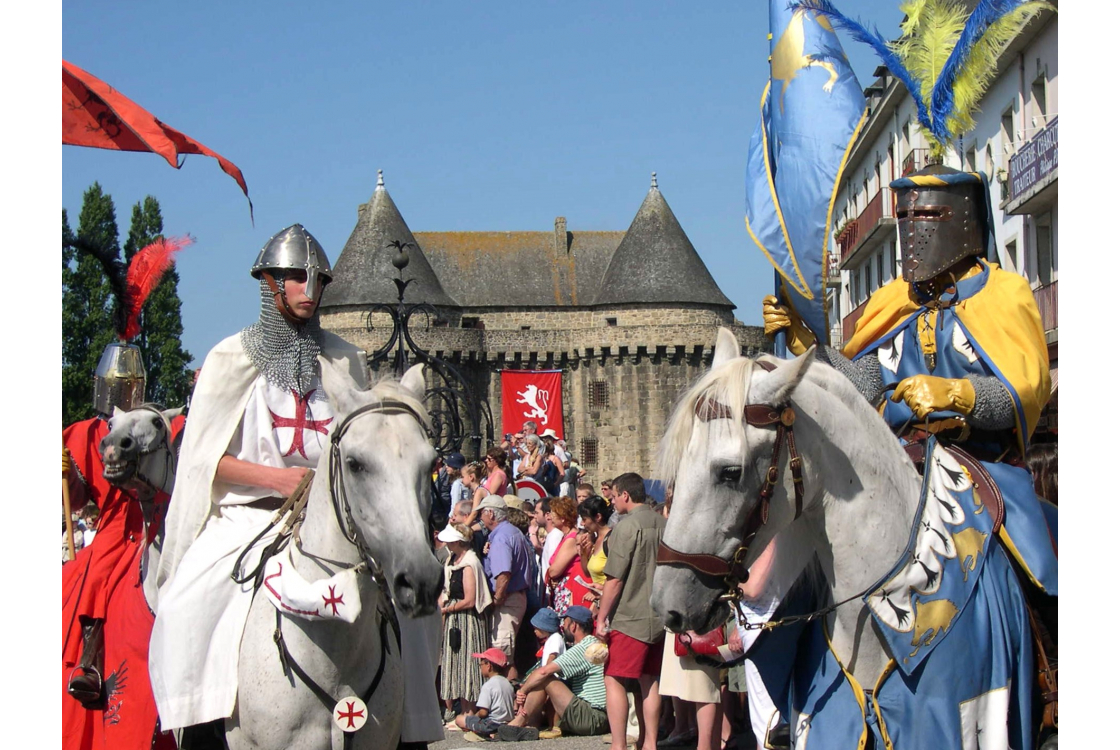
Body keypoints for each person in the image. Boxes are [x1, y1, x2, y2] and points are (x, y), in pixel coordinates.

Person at [149, 225, 444, 745]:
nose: (309, 288)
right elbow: (202, 464)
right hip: (249, 515)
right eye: (294, 277)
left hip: (334, 518)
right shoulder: (228, 360)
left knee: (413, 606)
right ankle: (194, 726)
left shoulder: (345, 360)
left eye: (317, 279)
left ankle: (415, 725)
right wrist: (278, 479)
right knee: (186, 606)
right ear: (268, 282)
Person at [763, 163, 1058, 598]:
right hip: (897, 463)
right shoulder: (892, 303)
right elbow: (860, 389)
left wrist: (957, 394)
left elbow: (1025, 389)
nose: (912, 230)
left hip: (979, 464)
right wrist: (805, 342)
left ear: (961, 218)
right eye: (904, 217)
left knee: (1035, 572)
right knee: (804, 579)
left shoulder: (1002, 293)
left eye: (928, 217)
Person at [62, 337, 186, 750]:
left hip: (155, 521)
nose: (123, 391)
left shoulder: (153, 427)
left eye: (130, 382)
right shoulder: (87, 432)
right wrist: (64, 477)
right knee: (94, 577)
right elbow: (76, 501)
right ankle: (90, 664)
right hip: (115, 531)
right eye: (118, 383)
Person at [596, 473, 667, 750]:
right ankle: (650, 743)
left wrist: (602, 617)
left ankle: (618, 745)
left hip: (629, 615)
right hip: (659, 614)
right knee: (649, 681)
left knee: (614, 678)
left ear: (625, 495)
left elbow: (614, 579)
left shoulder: (626, 528)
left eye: (613, 497)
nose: (612, 502)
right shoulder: (665, 524)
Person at [508, 606, 610, 737]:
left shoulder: (585, 647)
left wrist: (522, 691)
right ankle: (529, 725)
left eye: (565, 623)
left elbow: (544, 671)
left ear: (574, 626)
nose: (562, 627)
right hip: (597, 718)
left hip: (591, 717)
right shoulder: (593, 644)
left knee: (546, 678)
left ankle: (519, 722)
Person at [438, 523, 492, 726]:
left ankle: (469, 714)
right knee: (456, 663)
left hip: (468, 619)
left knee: (469, 664)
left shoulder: (470, 562)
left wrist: (447, 609)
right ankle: (460, 712)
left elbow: (470, 599)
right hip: (455, 619)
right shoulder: (452, 559)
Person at [478, 494, 535, 676]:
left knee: (501, 658)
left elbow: (503, 573)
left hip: (507, 601)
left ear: (490, 514)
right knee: (503, 655)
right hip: (513, 599)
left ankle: (507, 701)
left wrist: (497, 598)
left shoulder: (502, 537)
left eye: (482, 513)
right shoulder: (511, 532)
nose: (480, 517)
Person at [453, 648, 517, 740]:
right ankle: (500, 732)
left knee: (459, 719)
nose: (480, 667)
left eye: (481, 664)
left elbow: (483, 713)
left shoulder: (488, 685)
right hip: (507, 722)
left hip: (491, 724)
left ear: (489, 666)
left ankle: (488, 733)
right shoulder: (508, 683)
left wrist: (475, 717)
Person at [546, 496, 593, 616]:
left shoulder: (572, 538)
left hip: (568, 589)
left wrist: (552, 575)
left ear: (562, 518)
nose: (549, 518)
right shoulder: (566, 536)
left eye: (553, 514)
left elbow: (555, 570)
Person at [576, 495, 613, 614]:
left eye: (585, 519)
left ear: (597, 517)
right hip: (599, 604)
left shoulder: (611, 539)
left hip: (610, 604)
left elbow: (618, 575)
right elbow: (587, 572)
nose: (582, 523)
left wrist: (602, 591)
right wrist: (583, 553)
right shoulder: (595, 539)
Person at [434, 452, 466, 529]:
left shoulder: (457, 484)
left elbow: (455, 503)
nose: (446, 467)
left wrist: (450, 519)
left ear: (456, 468)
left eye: (449, 465)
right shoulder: (461, 481)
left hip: (455, 516)